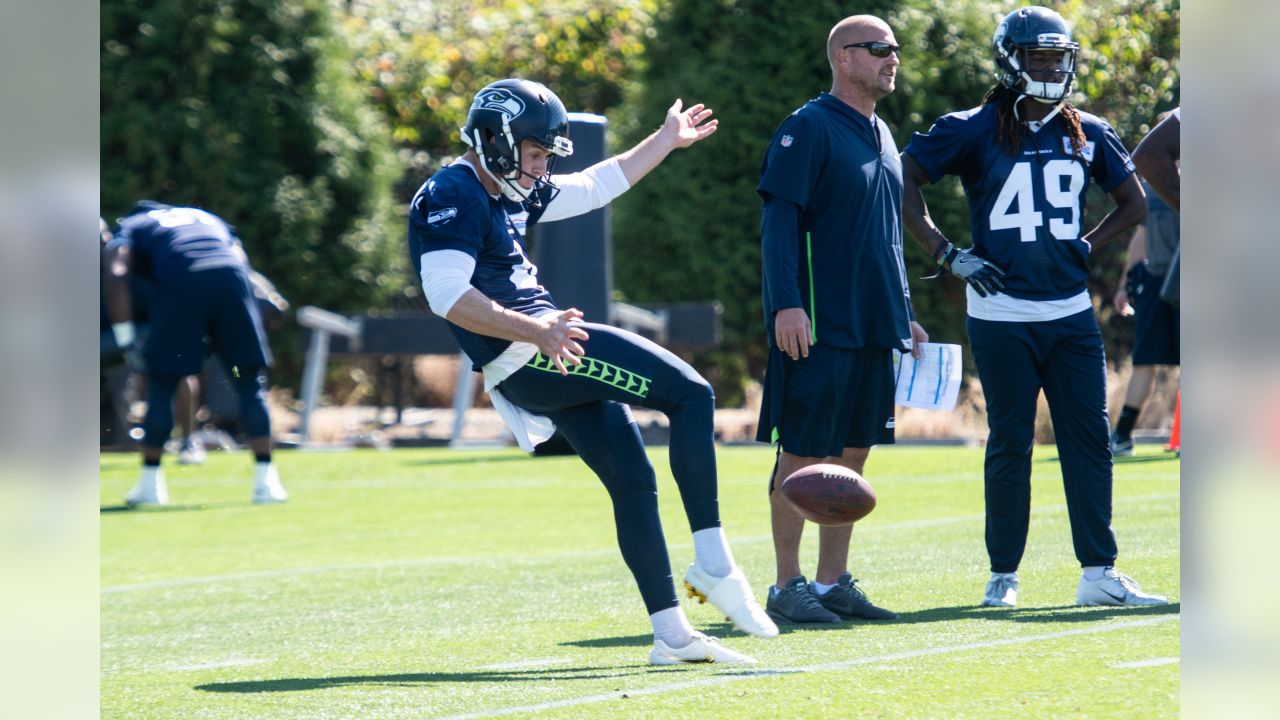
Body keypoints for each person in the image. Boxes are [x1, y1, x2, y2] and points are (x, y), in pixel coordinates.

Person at [410, 78, 777, 665]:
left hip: (539, 352)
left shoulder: (504, 187)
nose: (538, 169)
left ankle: (672, 636)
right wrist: (539, 330)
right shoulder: (452, 190)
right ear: (499, 142)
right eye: (532, 154)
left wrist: (663, 140)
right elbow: (446, 294)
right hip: (536, 350)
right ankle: (714, 565)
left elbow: (592, 186)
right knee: (692, 395)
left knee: (633, 481)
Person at [901, 6, 1168, 608]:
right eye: (1038, 57)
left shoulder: (1089, 130)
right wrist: (946, 253)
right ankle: (1003, 575)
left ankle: (1098, 572)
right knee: (1010, 442)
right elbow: (903, 176)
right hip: (1000, 315)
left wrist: (1088, 244)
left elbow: (1133, 203)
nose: (1050, 68)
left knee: (1089, 440)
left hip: (1069, 312)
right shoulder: (971, 127)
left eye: (1057, 57)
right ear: (1011, 62)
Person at [755, 15, 927, 625]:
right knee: (801, 453)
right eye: (879, 49)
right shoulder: (807, 128)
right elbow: (779, 222)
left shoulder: (882, 133)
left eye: (895, 49)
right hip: (817, 325)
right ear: (844, 59)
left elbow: (885, 239)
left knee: (852, 457)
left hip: (873, 326)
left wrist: (904, 314)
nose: (892, 58)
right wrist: (786, 304)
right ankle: (785, 585)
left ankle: (831, 584)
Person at [103, 201, 288, 506]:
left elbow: (116, 270)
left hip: (181, 283)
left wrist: (125, 337)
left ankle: (150, 485)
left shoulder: (135, 225)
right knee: (248, 382)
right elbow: (238, 258)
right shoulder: (206, 217)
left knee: (163, 383)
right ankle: (266, 483)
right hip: (232, 280)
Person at [1110, 175, 1179, 456]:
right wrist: (1124, 284)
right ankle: (1123, 435)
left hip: (1180, 278)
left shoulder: (1205, 183)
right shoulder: (1152, 187)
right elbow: (1140, 236)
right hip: (1158, 281)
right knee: (1145, 360)